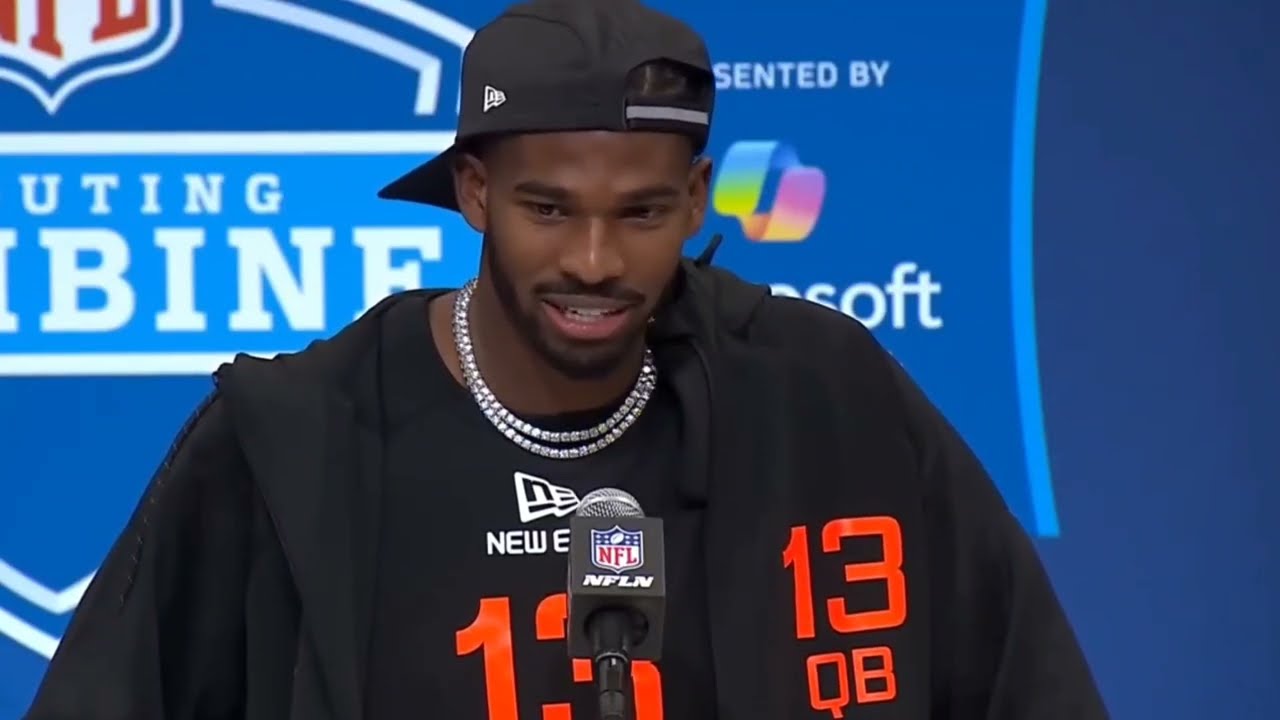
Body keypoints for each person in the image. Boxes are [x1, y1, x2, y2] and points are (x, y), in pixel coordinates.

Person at [24, 0, 1109, 718]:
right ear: (474, 192)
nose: (594, 261)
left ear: (696, 200)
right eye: (548, 209)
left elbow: (1030, 689)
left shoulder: (820, 396)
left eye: (641, 213)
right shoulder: (296, 439)